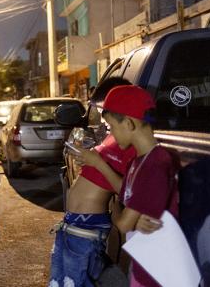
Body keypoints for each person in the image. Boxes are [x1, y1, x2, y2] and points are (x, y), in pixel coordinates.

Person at [76, 86, 180, 287]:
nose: (111, 134)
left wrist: (123, 215)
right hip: (144, 262)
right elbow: (125, 197)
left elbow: (123, 223)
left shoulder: (155, 164)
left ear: (129, 123)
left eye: (112, 127)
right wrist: (98, 164)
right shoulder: (138, 163)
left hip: (158, 271)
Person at [48, 77, 136, 287]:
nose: (103, 117)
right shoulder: (113, 136)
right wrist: (88, 161)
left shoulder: (129, 142)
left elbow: (130, 191)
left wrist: (97, 162)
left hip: (86, 227)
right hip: (75, 225)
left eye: (105, 109)